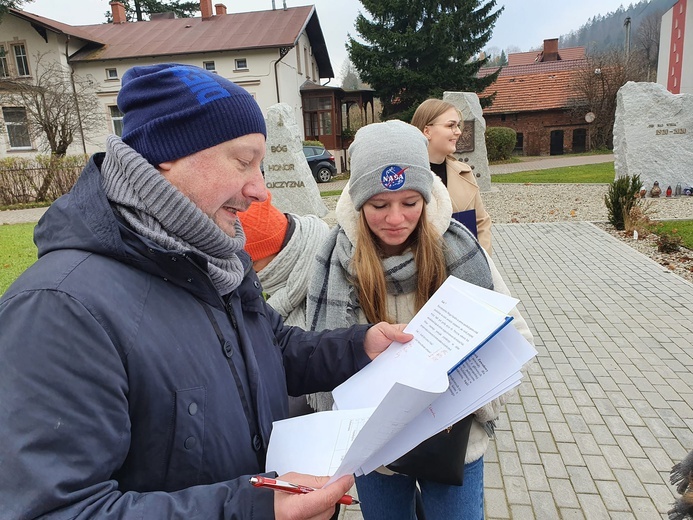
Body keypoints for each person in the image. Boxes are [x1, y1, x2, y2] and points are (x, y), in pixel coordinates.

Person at [0, 63, 412, 520]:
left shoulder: (218, 258)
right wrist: (256, 510)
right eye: (243, 161)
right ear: (166, 155)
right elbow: (55, 510)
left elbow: (271, 346)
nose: (260, 190)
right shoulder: (57, 308)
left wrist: (359, 347)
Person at [305, 120, 534, 520]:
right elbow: (318, 353)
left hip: (455, 438)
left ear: (427, 198)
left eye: (410, 203)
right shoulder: (333, 260)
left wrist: (475, 396)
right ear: (359, 203)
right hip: (374, 449)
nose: (395, 218)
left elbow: (513, 333)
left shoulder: (458, 250)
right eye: (379, 205)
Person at [411, 98, 493, 255]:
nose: (458, 131)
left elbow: (481, 222)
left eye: (457, 125)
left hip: (464, 270)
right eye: (451, 125)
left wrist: (481, 261)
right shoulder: (405, 175)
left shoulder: (465, 173)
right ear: (427, 131)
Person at [238, 190, 330, 328]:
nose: (251, 272)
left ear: (279, 258)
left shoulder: (334, 273)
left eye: (252, 263)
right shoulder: (284, 283)